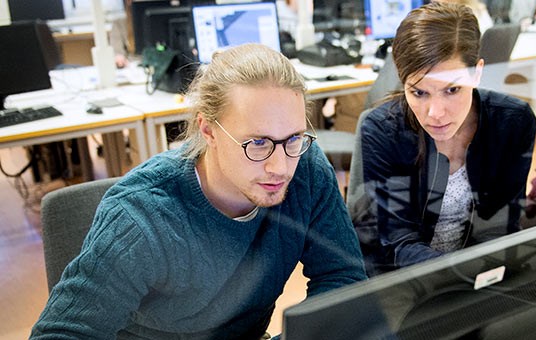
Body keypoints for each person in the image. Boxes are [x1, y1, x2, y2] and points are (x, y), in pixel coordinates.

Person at [31, 44, 366, 339]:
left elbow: (343, 276)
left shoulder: (305, 167)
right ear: (208, 130)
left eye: (293, 137)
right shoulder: (141, 216)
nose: (280, 166)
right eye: (258, 143)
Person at [348, 2, 536, 276]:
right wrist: (463, 273)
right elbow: (398, 245)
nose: (435, 114)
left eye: (452, 89)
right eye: (419, 93)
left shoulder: (512, 123)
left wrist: (480, 277)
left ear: (478, 72)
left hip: (469, 278)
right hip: (399, 279)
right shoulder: (383, 130)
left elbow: (501, 228)